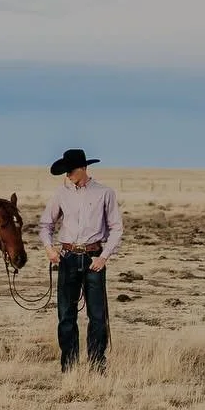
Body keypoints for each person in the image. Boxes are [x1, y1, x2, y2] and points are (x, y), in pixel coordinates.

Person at [38, 148, 124, 373]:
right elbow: (46, 224)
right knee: (66, 314)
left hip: (93, 256)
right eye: (66, 171)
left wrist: (104, 257)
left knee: (97, 315)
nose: (68, 175)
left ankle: (97, 366)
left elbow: (116, 228)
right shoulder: (60, 193)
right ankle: (69, 366)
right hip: (67, 257)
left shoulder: (105, 193)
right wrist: (49, 248)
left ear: (84, 168)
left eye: (71, 171)